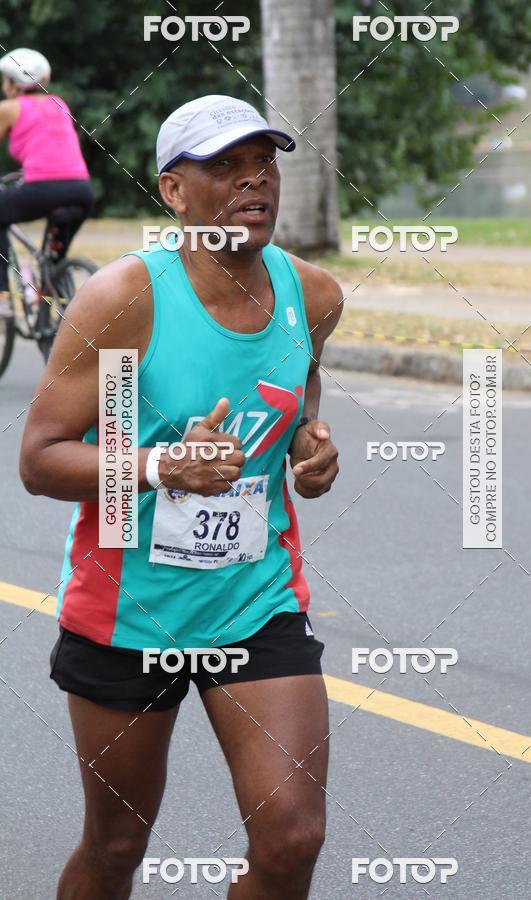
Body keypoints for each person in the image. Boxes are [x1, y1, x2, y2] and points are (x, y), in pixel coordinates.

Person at [20, 94, 343, 899]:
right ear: (173, 193)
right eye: (224, 166)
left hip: (255, 598)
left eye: (263, 163)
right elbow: (41, 458)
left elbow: (294, 391)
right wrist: (166, 467)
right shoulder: (124, 301)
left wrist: (309, 445)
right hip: (129, 607)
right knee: (117, 844)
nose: (252, 181)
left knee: (292, 837)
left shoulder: (314, 295)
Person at [0, 48, 94, 295]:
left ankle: (3, 296)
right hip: (82, 190)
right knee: (53, 262)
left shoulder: (8, 108)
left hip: (43, 189)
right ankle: (52, 312)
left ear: (12, 83)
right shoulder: (59, 103)